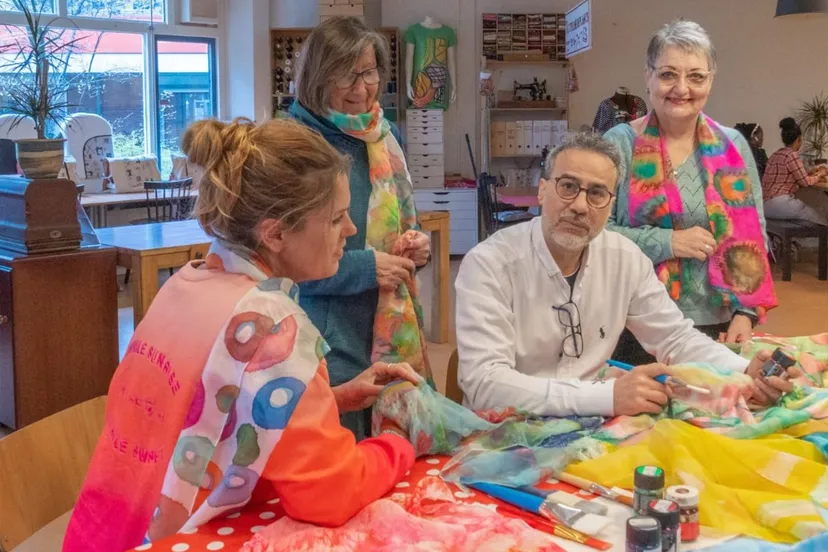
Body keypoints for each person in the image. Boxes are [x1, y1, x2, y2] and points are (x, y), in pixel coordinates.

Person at [63, 118, 420, 552]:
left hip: (106, 531)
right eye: (336, 219)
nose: (350, 233)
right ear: (275, 233)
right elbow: (332, 494)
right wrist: (399, 442)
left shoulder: (183, 287)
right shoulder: (274, 329)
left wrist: (334, 396)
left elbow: (217, 408)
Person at [455, 132, 795, 418]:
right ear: (542, 190)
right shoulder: (489, 264)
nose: (579, 205)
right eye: (568, 186)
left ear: (611, 203)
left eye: (597, 193)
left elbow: (674, 339)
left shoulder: (624, 258)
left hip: (593, 425)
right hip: (504, 431)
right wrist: (605, 397)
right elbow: (485, 385)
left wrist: (742, 370)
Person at [290, 16, 433, 441]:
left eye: (368, 73)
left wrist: (414, 248)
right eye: (344, 76)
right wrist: (369, 269)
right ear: (316, 78)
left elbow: (405, 224)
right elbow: (280, 265)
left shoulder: (382, 137)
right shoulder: (294, 146)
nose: (361, 88)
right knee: (343, 464)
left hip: (389, 328)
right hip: (329, 346)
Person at [603, 20, 776, 366]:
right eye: (668, 74)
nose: (681, 88)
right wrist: (668, 241)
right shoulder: (619, 144)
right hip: (636, 323)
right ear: (648, 76)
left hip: (719, 323)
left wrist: (745, 313)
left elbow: (752, 235)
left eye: (696, 76)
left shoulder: (734, 146)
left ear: (710, 80)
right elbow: (596, 234)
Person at [763, 117, 828, 226]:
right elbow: (805, 182)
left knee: (806, 220)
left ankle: (795, 242)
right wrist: (820, 173)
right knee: (821, 221)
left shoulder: (776, 154)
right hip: (779, 203)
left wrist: (812, 171)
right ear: (798, 139)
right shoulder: (792, 154)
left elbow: (796, 173)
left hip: (766, 205)